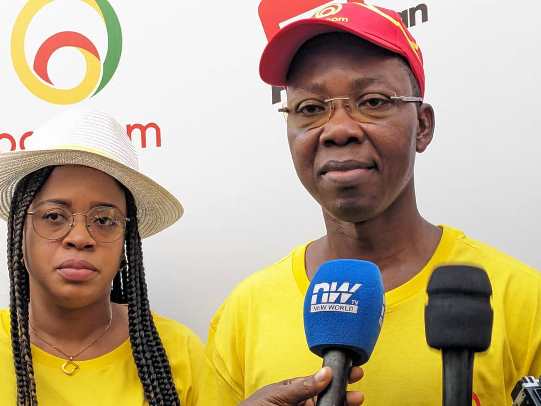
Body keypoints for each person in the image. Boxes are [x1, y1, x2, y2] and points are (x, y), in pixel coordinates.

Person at [205, 2, 541, 405]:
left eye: (373, 101)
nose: (339, 129)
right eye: (310, 109)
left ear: (423, 127)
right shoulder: (244, 313)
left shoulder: (521, 300)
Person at [0, 109, 205, 405]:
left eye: (104, 220)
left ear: (125, 242)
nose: (80, 237)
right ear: (20, 232)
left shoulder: (180, 351)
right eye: (54, 216)